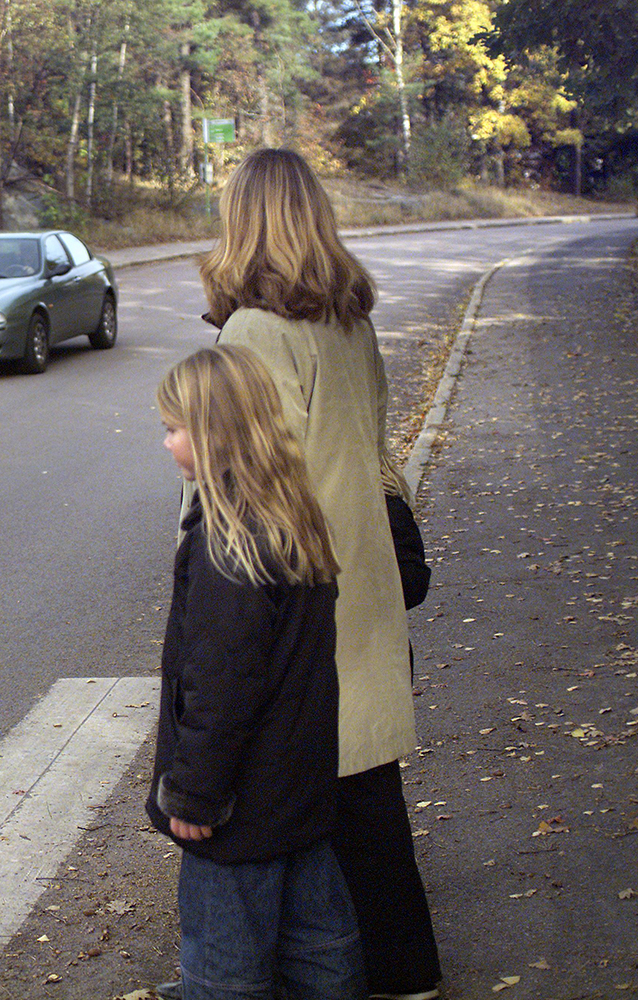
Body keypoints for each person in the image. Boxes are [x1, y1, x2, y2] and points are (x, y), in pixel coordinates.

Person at [197, 147, 442, 1000]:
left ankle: (282, 972)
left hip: (301, 600)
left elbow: (246, 488)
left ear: (244, 220)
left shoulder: (252, 334)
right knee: (366, 799)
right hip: (364, 588)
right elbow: (381, 456)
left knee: (285, 808)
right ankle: (403, 973)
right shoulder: (351, 322)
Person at [147, 344, 364, 1000]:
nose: (166, 445)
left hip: (236, 812)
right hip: (298, 789)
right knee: (319, 946)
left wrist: (193, 794)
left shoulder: (226, 547)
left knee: (225, 972)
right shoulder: (290, 519)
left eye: (173, 429)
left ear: (214, 436)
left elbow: (221, 685)